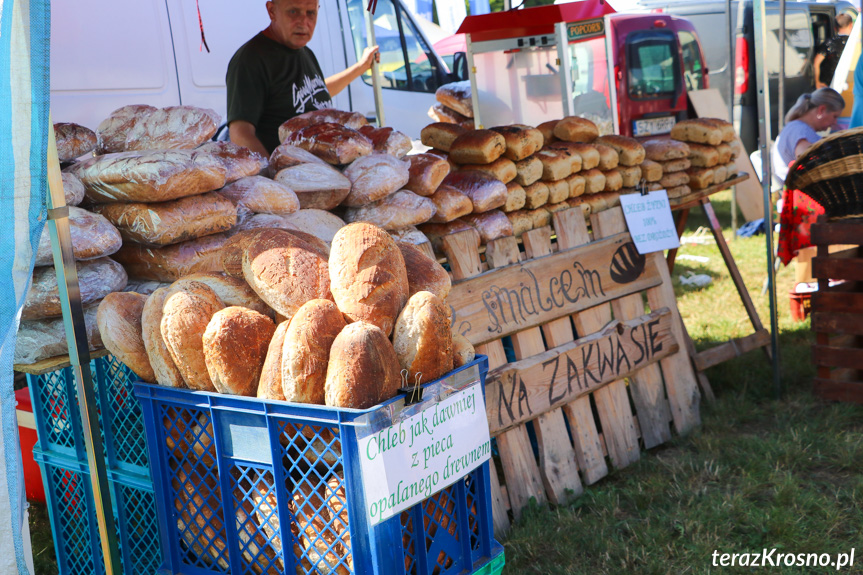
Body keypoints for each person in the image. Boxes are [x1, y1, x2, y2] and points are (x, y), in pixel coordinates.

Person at [226, 0, 380, 156]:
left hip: (319, 172)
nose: (304, 22)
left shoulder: (305, 52)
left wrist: (360, 67)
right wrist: (270, 175)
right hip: (286, 175)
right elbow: (240, 134)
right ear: (272, 11)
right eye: (293, 12)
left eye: (311, 13)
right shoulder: (251, 59)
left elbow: (315, 94)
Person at [772, 88, 845, 186]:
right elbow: (808, 164)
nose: (835, 123)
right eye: (835, 116)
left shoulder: (795, 127)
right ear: (821, 110)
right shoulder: (800, 130)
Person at [814, 13, 854, 89]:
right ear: (851, 25)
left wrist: (817, 82)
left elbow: (816, 63)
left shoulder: (828, 43)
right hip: (851, 84)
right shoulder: (855, 43)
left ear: (835, 28)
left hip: (830, 85)